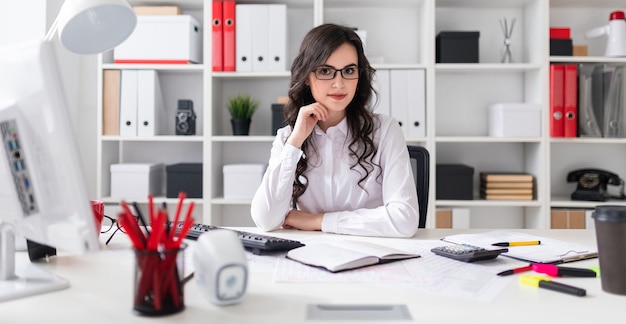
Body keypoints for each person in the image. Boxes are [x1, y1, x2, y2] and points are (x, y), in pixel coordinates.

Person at [250, 23, 419, 238]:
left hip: (372, 253)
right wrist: (296, 141)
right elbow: (265, 220)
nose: (339, 84)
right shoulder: (288, 137)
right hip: (309, 255)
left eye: (348, 71)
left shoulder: (385, 130)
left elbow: (405, 220)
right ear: (307, 78)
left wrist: (318, 221)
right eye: (325, 71)